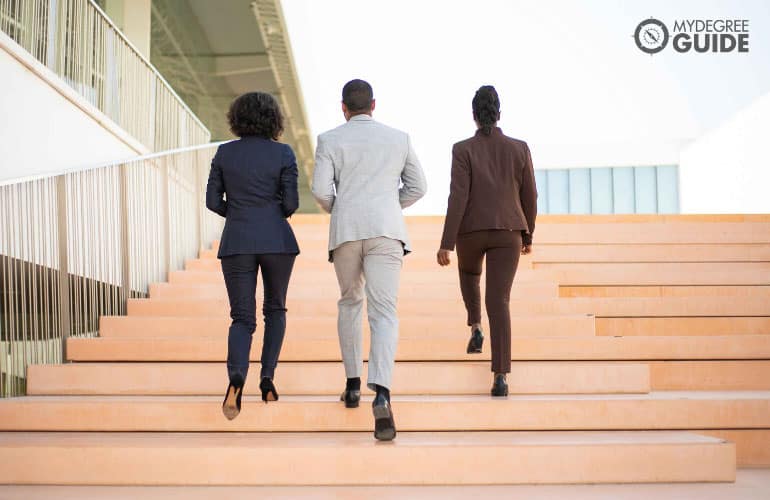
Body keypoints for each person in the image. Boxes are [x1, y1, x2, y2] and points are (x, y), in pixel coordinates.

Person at [312, 79, 427, 441]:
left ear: (343, 107)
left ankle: (351, 384)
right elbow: (419, 186)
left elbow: (319, 190)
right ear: (373, 104)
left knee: (350, 302)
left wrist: (343, 207)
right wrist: (390, 206)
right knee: (384, 312)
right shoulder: (399, 138)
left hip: (346, 229)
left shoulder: (330, 140)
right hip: (387, 231)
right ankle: (382, 393)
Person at [437, 85, 538, 397]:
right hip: (509, 231)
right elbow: (530, 194)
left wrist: (447, 242)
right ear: (499, 113)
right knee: (500, 300)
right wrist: (528, 233)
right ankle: (500, 376)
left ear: (473, 116)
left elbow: (458, 196)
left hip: (471, 231)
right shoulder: (520, 148)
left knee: (469, 274)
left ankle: (476, 326)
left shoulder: (462, 149)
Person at [206, 92, 300, 420]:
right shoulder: (284, 153)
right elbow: (290, 205)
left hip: (237, 241)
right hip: (277, 240)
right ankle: (267, 378)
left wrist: (240, 212)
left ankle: (236, 378)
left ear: (237, 119)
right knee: (275, 309)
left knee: (242, 318)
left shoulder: (224, 153)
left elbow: (212, 201)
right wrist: (269, 211)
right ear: (273, 120)